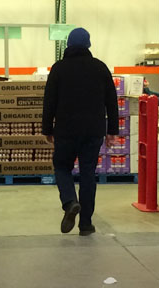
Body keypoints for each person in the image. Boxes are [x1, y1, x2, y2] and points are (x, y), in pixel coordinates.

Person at [42, 27, 119, 236]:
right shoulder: (100, 68)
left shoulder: (58, 69)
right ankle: (86, 224)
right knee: (87, 174)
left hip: (65, 130)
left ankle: (69, 202)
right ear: (88, 45)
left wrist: (47, 129)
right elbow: (112, 101)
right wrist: (112, 130)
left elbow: (49, 101)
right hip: (93, 131)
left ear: (68, 45)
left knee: (62, 166)